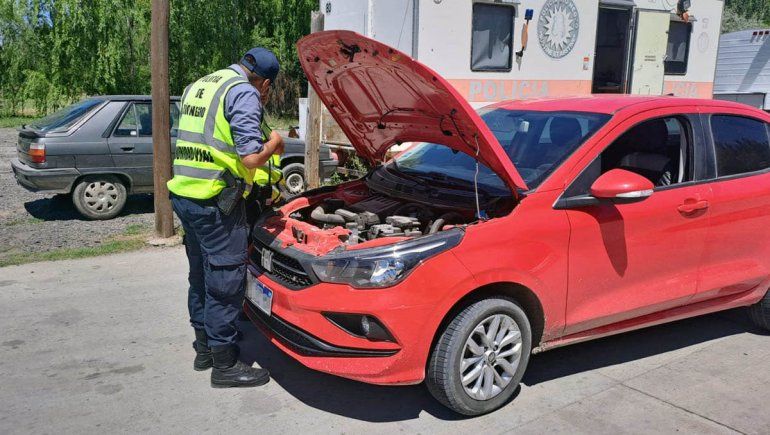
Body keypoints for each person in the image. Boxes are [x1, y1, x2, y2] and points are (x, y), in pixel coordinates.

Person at [167, 47, 284, 388]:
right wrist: (275, 141)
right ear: (262, 81)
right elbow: (249, 158)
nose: (264, 93)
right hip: (216, 202)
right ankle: (225, 365)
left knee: (201, 276)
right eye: (267, 87)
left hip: (186, 196)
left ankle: (204, 349)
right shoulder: (243, 92)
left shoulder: (202, 84)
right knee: (225, 281)